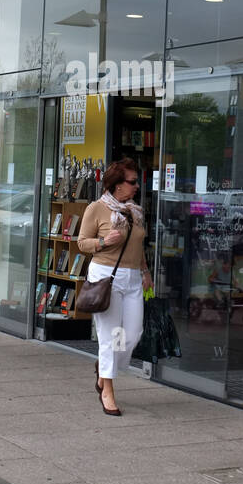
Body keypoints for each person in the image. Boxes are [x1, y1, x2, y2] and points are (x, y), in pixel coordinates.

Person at [77, 157, 152, 417]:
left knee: (131, 335)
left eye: (136, 182)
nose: (136, 187)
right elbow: (82, 243)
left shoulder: (135, 211)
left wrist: (145, 271)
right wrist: (103, 241)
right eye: (132, 182)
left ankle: (103, 369)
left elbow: (138, 245)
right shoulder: (96, 209)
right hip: (106, 276)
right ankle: (107, 388)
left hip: (132, 278)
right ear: (117, 185)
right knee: (110, 336)